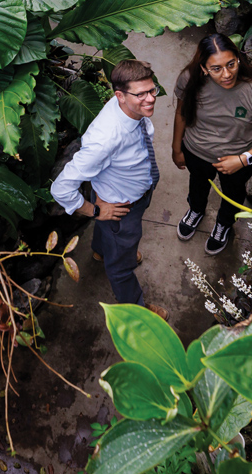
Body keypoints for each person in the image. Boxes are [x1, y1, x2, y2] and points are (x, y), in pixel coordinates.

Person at [51, 60, 168, 319]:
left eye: (152, 90)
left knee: (112, 241)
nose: (150, 99)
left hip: (124, 191)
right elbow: (61, 188)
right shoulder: (106, 139)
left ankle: (103, 251)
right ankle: (137, 311)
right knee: (121, 268)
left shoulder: (126, 108)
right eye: (141, 94)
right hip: (121, 207)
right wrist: (93, 210)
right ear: (120, 96)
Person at [171, 34, 252, 255]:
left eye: (231, 64)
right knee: (198, 184)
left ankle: (224, 224)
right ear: (203, 68)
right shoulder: (189, 80)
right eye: (216, 68)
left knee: (233, 195)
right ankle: (196, 210)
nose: (227, 74)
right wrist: (176, 149)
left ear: (238, 59)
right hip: (196, 151)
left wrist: (243, 159)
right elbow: (181, 114)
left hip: (238, 160)